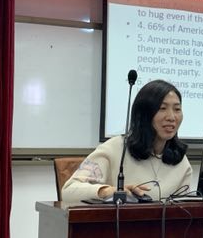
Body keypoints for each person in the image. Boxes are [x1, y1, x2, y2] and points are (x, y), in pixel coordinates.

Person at [61, 79, 192, 204]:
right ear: (144, 114)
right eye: (162, 108)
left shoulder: (180, 159)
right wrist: (108, 191)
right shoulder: (115, 149)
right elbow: (69, 191)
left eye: (177, 109)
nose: (171, 117)